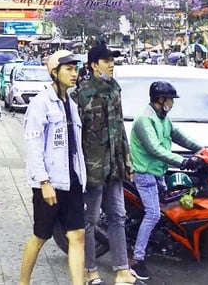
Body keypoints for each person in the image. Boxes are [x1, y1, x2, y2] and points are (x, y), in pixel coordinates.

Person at [19, 51, 86, 285]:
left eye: (75, 69)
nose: (74, 73)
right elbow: (33, 144)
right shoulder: (41, 103)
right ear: (54, 72)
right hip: (50, 183)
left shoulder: (72, 104)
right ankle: (23, 282)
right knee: (41, 236)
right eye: (68, 69)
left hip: (73, 181)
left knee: (77, 235)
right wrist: (44, 182)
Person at [129, 80, 205, 281]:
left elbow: (179, 136)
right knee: (153, 214)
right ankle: (137, 260)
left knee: (168, 209)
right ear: (160, 100)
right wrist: (184, 161)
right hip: (145, 174)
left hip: (157, 173)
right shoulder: (144, 121)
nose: (172, 103)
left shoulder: (163, 118)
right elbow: (155, 149)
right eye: (170, 100)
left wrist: (203, 150)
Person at [72, 44, 135, 285]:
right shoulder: (82, 94)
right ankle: (90, 271)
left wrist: (127, 161)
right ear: (93, 65)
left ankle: (122, 270)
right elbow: (75, 136)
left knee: (118, 216)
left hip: (115, 168)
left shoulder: (114, 90)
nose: (111, 64)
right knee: (90, 221)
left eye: (113, 60)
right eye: (106, 60)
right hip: (92, 169)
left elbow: (120, 129)